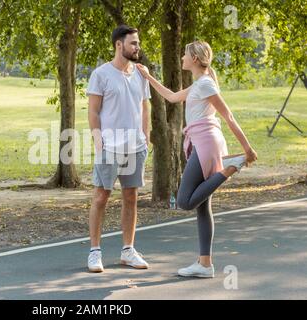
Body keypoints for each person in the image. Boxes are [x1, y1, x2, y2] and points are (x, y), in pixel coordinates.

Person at [136, 40, 258, 278]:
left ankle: (232, 166)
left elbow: (229, 116)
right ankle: (205, 264)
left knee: (184, 202)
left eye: (184, 54)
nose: (181, 57)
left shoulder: (206, 85)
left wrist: (247, 149)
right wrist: (148, 77)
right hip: (202, 143)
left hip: (206, 143)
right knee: (203, 208)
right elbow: (171, 97)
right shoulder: (198, 85)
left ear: (194, 58)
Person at [86, 25, 151, 273]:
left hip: (135, 148)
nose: (137, 47)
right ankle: (94, 252)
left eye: (138, 43)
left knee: (131, 197)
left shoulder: (141, 74)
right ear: (118, 45)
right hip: (109, 147)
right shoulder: (100, 74)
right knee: (101, 197)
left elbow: (145, 107)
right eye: (133, 43)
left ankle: (128, 251)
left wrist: (146, 137)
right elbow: (93, 110)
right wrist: (98, 140)